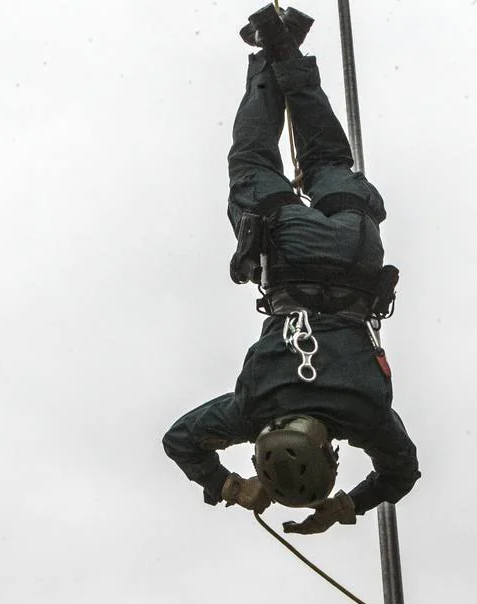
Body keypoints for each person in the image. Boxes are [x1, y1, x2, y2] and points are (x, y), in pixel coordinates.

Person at [162, 5, 420, 535]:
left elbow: (401, 471)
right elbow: (181, 440)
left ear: (330, 453)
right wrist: (230, 485)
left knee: (327, 160)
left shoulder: (369, 416)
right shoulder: (252, 407)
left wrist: (347, 506)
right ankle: (269, 51)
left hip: (355, 252)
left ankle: (287, 50)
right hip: (291, 253)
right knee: (254, 160)